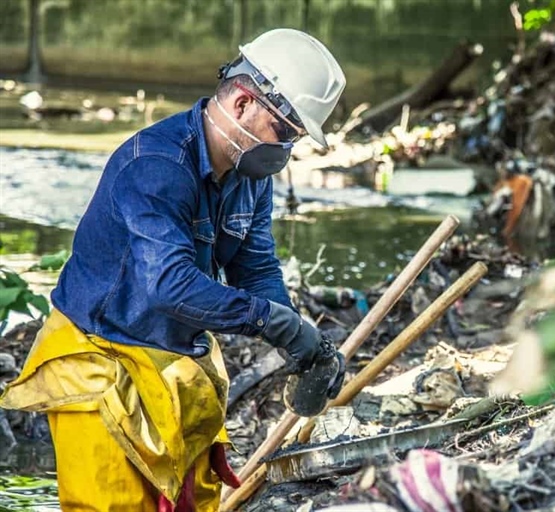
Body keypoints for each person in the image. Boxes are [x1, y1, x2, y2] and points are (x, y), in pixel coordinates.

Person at [0, 28, 346, 512]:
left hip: (175, 361)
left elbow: (257, 266)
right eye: (285, 132)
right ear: (244, 103)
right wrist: (275, 323)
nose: (287, 148)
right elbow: (169, 285)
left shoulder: (249, 175)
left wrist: (300, 340)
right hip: (100, 359)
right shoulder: (156, 165)